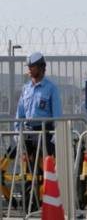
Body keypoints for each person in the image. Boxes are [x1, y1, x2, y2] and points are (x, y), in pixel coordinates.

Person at [15, 51, 62, 211]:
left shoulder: (51, 88)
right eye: (28, 66)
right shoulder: (26, 88)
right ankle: (30, 204)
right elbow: (20, 113)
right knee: (28, 171)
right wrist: (17, 131)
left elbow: (57, 114)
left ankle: (46, 203)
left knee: (45, 170)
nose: (29, 69)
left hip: (45, 133)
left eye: (32, 66)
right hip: (29, 133)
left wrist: (56, 133)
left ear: (41, 68)